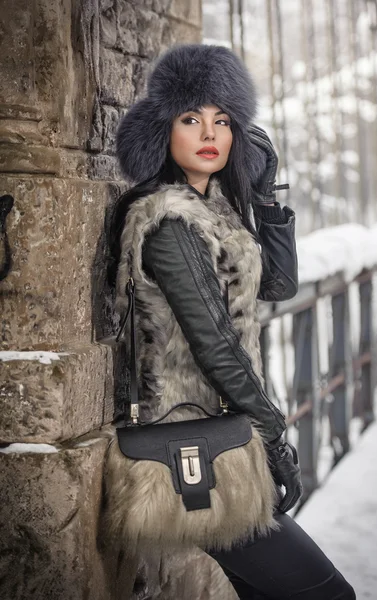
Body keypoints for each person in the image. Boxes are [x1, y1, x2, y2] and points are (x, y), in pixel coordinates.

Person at [108, 44, 355, 600]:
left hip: (220, 434)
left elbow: (277, 287)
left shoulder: (214, 206)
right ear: (162, 132)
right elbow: (216, 346)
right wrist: (274, 438)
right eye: (191, 119)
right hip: (198, 449)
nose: (209, 133)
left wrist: (266, 200)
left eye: (223, 120)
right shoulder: (169, 220)